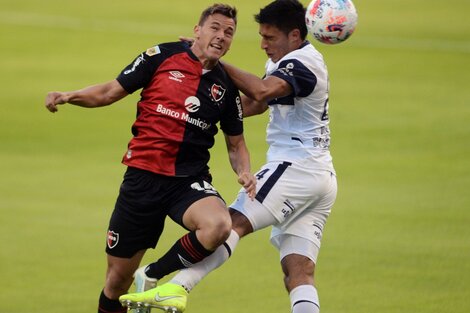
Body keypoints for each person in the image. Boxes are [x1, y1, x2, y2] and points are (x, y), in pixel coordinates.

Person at [120, 1, 338, 313]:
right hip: (319, 179)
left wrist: (210, 59)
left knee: (231, 223)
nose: (263, 45)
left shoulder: (302, 64)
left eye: (269, 38)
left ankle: (171, 283)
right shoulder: (290, 61)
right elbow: (257, 105)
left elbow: (262, 91)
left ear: (294, 35)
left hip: (295, 169)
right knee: (298, 272)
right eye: (261, 36)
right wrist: (208, 110)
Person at [45, 4, 257, 313]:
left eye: (229, 32)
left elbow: (236, 144)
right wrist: (69, 96)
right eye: (215, 27)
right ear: (197, 30)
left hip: (187, 181)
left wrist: (245, 172)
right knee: (116, 283)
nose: (221, 36)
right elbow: (108, 92)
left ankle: (153, 273)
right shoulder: (161, 56)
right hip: (141, 179)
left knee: (218, 225)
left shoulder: (225, 87)